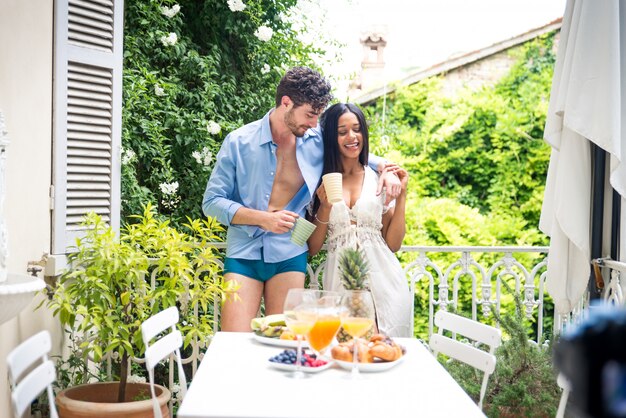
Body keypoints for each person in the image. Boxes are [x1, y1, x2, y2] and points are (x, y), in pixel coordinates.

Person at [202, 67, 401, 331]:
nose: (313, 123)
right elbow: (212, 202)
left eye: (318, 116)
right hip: (243, 253)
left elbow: (354, 151)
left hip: (290, 252)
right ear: (286, 103)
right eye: (309, 114)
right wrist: (263, 219)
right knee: (235, 342)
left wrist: (388, 169)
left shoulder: (315, 139)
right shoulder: (238, 142)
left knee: (286, 341)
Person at [307, 102, 412, 337]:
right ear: (332, 138)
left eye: (357, 129)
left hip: (385, 282)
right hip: (341, 284)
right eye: (342, 132)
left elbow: (393, 244)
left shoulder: (378, 179)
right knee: (348, 356)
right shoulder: (320, 182)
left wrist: (403, 195)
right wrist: (324, 207)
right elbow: (312, 248)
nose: (352, 137)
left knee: (385, 358)